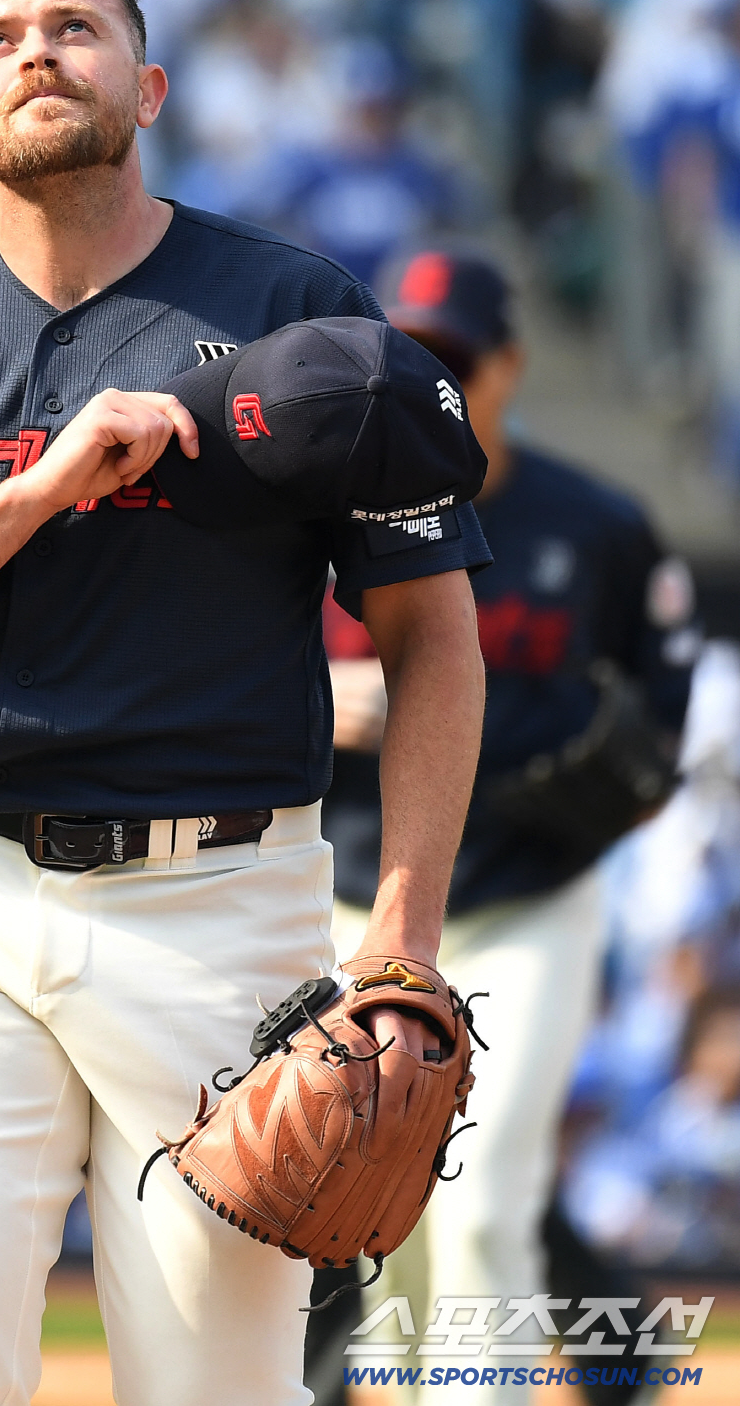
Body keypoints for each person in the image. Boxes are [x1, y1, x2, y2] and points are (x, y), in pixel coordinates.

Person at [0, 0, 489, 1406]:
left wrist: (400, 947)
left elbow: (433, 638)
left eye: (75, 28)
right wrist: (35, 492)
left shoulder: (300, 315)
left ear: (148, 87)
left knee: (217, 1387)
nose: (37, 51)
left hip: (224, 907)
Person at [311, 248, 696, 1406]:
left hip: (525, 903)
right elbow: (216, 678)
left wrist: (508, 746)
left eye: (456, 360)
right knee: (378, 1224)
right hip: (353, 901)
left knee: (482, 1203)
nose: (434, 382)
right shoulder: (316, 514)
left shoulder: (599, 526)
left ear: (511, 367)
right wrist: (314, 698)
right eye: (411, 357)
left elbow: (656, 730)